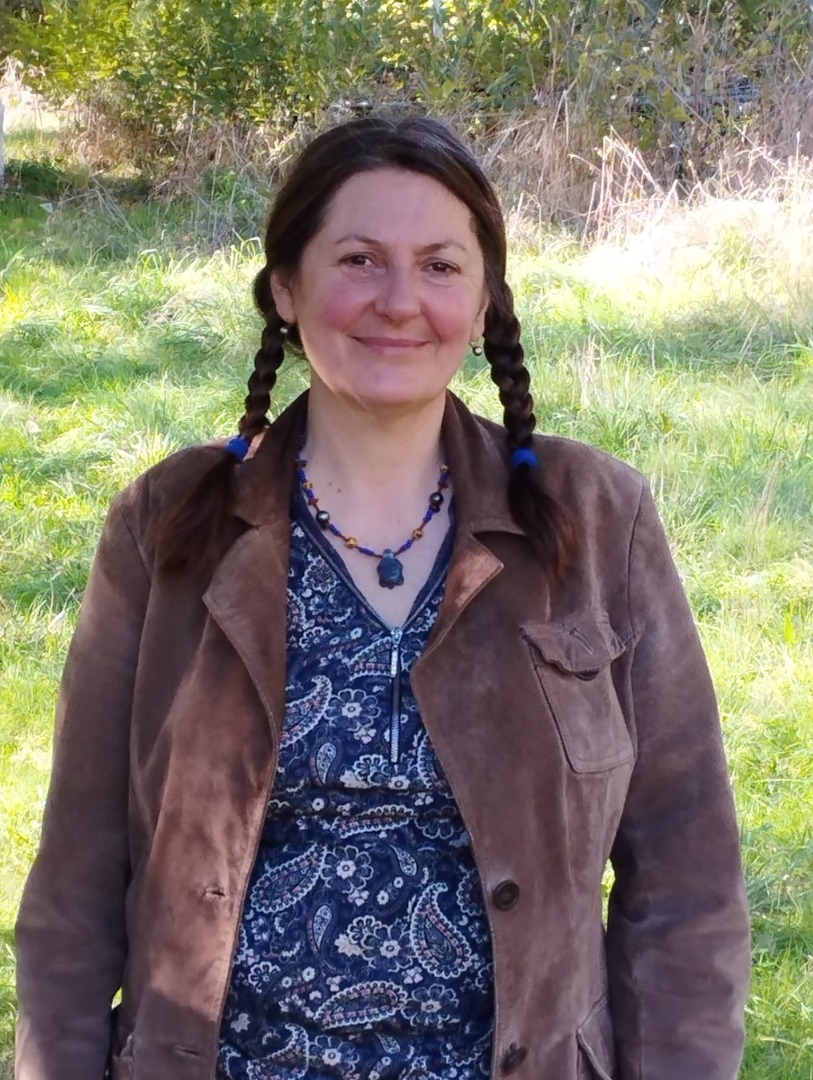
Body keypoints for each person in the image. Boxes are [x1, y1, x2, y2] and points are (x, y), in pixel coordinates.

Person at [15, 115, 750, 1080]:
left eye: (440, 266)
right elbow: (77, 877)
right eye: (358, 259)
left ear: (484, 303)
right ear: (287, 288)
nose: (399, 302)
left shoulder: (597, 518)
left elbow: (687, 881)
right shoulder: (170, 522)